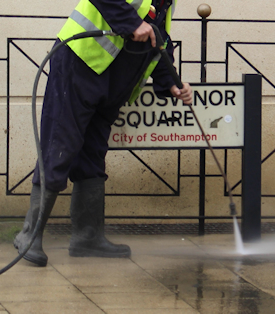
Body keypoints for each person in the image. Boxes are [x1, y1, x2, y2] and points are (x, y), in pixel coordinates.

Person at [13, 0, 192, 267]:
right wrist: (132, 24)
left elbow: (157, 38)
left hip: (112, 80)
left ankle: (88, 237)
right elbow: (137, 22)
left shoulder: (166, 3)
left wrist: (171, 85)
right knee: (60, 146)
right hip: (80, 61)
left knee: (92, 153)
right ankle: (30, 234)